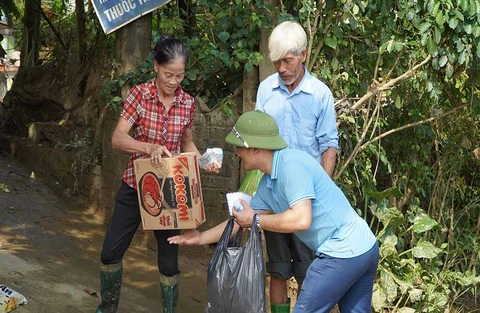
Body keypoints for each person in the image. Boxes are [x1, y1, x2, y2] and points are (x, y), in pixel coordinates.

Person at [168, 111, 379, 313]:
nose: (238, 153)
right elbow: (239, 222)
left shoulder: (291, 166)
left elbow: (301, 219)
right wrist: (199, 238)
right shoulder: (268, 183)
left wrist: (256, 220)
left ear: (256, 149)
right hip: (364, 248)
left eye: (240, 147)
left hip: (342, 252)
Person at [96, 36, 209, 313]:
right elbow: (118, 138)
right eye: (168, 74)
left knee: (169, 261)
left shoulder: (187, 103)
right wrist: (148, 147)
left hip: (169, 191)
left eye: (180, 75)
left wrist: (203, 161)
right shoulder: (139, 95)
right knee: (110, 253)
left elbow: (186, 144)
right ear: (156, 66)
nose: (173, 81)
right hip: (136, 185)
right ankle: (106, 309)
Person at [255, 20, 339, 312]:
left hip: (307, 199)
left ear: (303, 55)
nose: (281, 68)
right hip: (274, 195)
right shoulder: (266, 90)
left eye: (287, 60)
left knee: (307, 271)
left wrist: (322, 190)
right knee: (277, 269)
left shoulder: (320, 95)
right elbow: (256, 140)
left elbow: (329, 146)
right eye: (277, 61)